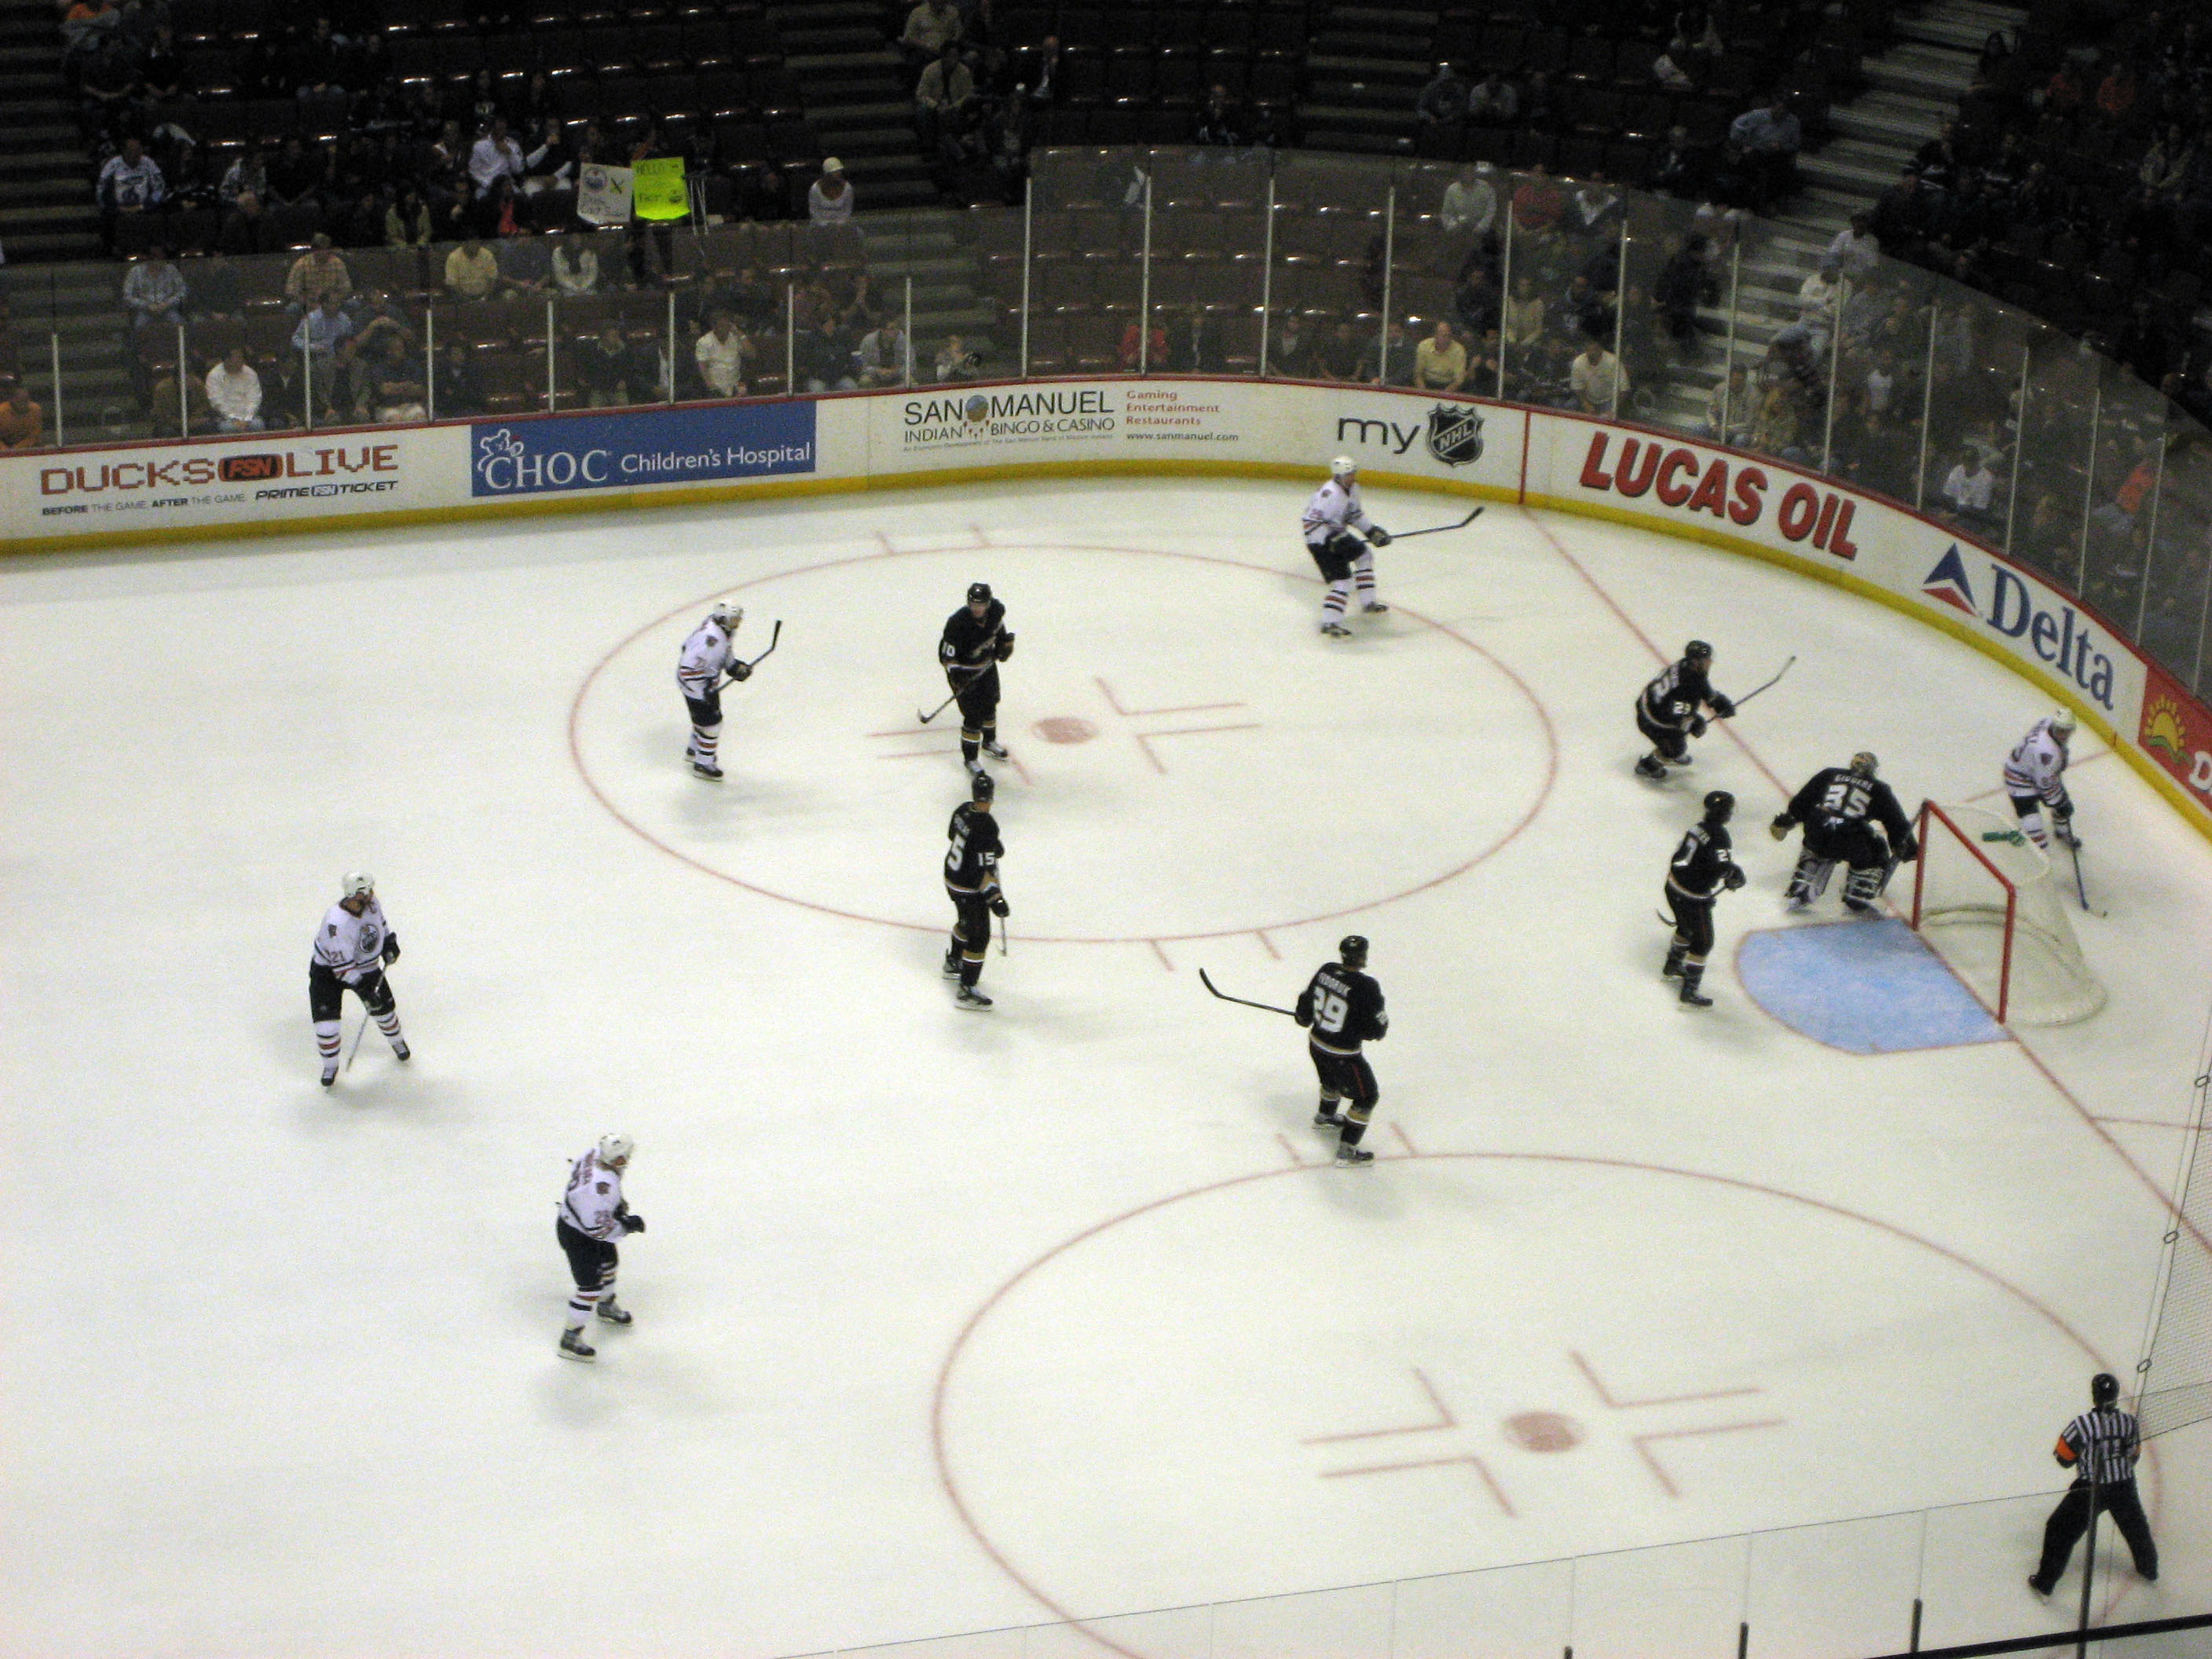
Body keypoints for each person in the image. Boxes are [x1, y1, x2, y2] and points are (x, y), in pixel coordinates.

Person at [2030, 1373, 2158, 1596]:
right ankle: (2149, 1570)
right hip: (2124, 1486)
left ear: (2094, 1395)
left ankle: (2044, 1583)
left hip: (2090, 1489)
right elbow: (2134, 1456)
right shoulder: (2129, 1423)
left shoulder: (2081, 1425)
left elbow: (2063, 1458)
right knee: (2137, 1529)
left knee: (2058, 1529)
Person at [1769, 751, 1917, 913]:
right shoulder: (1879, 788)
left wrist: (1786, 821)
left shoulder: (1829, 774)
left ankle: (1804, 883)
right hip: (1849, 837)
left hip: (1818, 828)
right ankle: (1858, 895)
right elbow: (1895, 821)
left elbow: (1801, 803)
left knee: (1816, 840)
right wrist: (1906, 846)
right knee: (1877, 847)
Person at [308, 871, 410, 1088]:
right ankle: (330, 1066)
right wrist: (365, 991)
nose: (371, 894)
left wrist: (388, 943)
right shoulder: (336, 924)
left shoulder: (371, 904)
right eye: (366, 892)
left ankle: (397, 1041)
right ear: (354, 895)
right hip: (328, 973)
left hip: (366, 967)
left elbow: (381, 924)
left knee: (385, 1011)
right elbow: (342, 968)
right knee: (327, 1028)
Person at [1297, 935, 1389, 1166]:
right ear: (1362, 956)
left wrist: (1303, 1016)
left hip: (1316, 1044)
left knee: (1330, 1081)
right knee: (1366, 1098)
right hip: (1343, 1055)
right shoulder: (1366, 986)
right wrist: (1374, 1030)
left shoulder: (1326, 970)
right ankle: (1346, 1151)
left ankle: (1325, 1116)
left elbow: (1305, 1005)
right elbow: (1374, 1029)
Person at [555, 1133, 643, 1363]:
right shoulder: (598, 1189)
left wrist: (616, 1209)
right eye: (625, 1157)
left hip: (580, 1222)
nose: (627, 1160)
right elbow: (598, 1230)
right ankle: (570, 1339)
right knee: (589, 1287)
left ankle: (606, 1306)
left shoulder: (595, 1153)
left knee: (610, 1263)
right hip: (578, 1236)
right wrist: (626, 1226)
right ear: (618, 1159)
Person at [1663, 790, 1746, 1009]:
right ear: (1726, 813)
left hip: (1673, 886)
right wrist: (1735, 875)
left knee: (1685, 926)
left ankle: (1673, 965)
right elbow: (1723, 866)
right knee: (1703, 942)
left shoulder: (1697, 827)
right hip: (1692, 896)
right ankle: (1689, 992)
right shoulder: (1720, 836)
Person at [1302, 456, 1393, 637]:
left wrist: (1371, 531)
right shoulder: (1329, 494)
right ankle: (1330, 623)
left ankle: (1368, 603)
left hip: (1336, 535)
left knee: (1364, 556)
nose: (1352, 477)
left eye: (1353, 473)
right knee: (1342, 582)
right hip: (1319, 542)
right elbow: (1310, 523)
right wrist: (1329, 540)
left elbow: (1354, 514)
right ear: (1339, 476)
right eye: (1349, 474)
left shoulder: (1353, 488)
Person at [939, 580, 1013, 775]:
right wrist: (958, 678)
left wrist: (1004, 647)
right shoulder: (957, 624)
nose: (976, 608)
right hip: (964, 674)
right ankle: (970, 758)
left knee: (990, 705)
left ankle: (989, 742)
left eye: (980, 604)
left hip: (987, 668)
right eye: (973, 604)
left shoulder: (995, 615)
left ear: (988, 604)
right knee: (973, 715)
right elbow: (947, 656)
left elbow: (1000, 636)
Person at [1635, 639, 1736, 780]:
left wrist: (1717, 701)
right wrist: (1694, 723)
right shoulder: (1686, 688)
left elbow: (1701, 685)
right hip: (1652, 721)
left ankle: (1670, 750)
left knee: (1685, 725)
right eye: (1706, 659)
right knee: (1676, 748)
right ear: (1695, 662)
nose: (1710, 662)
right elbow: (1674, 717)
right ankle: (1649, 765)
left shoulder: (1685, 666)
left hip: (1651, 706)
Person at [675, 602, 752, 781]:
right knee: (712, 725)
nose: (737, 623)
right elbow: (687, 668)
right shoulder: (709, 639)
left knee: (703, 720)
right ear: (722, 619)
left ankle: (694, 749)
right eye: (733, 619)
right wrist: (702, 690)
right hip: (696, 686)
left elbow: (723, 652)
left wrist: (734, 667)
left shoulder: (722, 630)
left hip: (705, 685)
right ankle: (704, 764)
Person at [2005, 709, 2078, 851]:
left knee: (2063, 805)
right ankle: (2041, 853)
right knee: (2033, 823)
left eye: (2067, 731)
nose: (2064, 735)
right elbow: (2046, 786)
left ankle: (2062, 830)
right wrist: (2059, 803)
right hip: (2019, 780)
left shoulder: (2048, 721)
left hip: (2032, 768)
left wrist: (2061, 804)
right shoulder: (2047, 753)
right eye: (2061, 731)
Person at [121, 250, 187, 330]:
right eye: (153, 256)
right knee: (138, 327)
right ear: (147, 257)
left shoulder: (172, 270)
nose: (156, 259)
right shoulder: (135, 272)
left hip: (169, 309)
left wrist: (167, 304)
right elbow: (127, 296)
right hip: (144, 311)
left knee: (180, 324)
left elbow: (182, 292)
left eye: (159, 256)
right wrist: (147, 306)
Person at [694, 309, 752, 399]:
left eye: (727, 326)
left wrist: (739, 333)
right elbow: (702, 367)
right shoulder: (704, 342)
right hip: (715, 390)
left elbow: (751, 354)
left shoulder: (735, 338)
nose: (725, 330)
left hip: (736, 389)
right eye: (722, 326)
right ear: (714, 326)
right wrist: (711, 387)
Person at [205, 346, 264, 432]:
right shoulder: (214, 375)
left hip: (249, 417)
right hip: (225, 418)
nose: (242, 361)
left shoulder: (250, 373)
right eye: (238, 358)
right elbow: (217, 402)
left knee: (258, 425)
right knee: (229, 428)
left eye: (242, 358)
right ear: (227, 359)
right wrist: (234, 419)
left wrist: (247, 419)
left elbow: (255, 398)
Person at [1568, 338, 1625, 415]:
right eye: (1588, 350)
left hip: (1609, 400)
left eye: (1595, 350)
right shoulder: (1578, 363)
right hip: (1588, 398)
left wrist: (1614, 408)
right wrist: (1585, 403)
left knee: (1606, 419)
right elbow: (1577, 387)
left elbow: (1624, 389)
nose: (1592, 353)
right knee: (1569, 406)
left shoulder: (1613, 362)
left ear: (1601, 350)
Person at [1940, 448, 1994, 526]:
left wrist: (1953, 516)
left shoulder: (1986, 478)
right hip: (1955, 508)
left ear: (1978, 461)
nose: (1968, 464)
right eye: (1966, 461)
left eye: (1972, 461)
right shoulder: (1957, 470)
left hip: (1973, 517)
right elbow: (1948, 495)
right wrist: (1945, 512)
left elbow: (1979, 510)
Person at [1413, 318, 1467, 391]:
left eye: (1448, 335)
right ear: (1435, 335)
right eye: (1442, 335)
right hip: (1426, 383)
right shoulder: (1424, 346)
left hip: (1449, 385)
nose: (1446, 339)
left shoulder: (1459, 350)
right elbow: (1418, 374)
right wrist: (1423, 392)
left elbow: (1458, 380)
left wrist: (1444, 394)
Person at [444, 236, 501, 302]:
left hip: (485, 298)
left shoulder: (487, 255)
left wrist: (485, 297)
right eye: (469, 243)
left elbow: (493, 279)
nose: (473, 245)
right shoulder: (453, 257)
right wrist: (466, 300)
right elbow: (452, 284)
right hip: (461, 300)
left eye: (475, 242)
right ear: (463, 244)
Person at [0, 379, 45, 449]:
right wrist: (5, 450)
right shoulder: (2, 411)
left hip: (27, 447)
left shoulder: (35, 410)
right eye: (20, 401)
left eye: (26, 400)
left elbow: (34, 436)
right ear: (11, 400)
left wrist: (17, 449)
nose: (24, 405)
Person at [808, 157, 855, 225]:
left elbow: (847, 211)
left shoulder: (847, 188)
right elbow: (814, 211)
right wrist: (824, 224)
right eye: (835, 172)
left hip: (841, 226)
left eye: (839, 171)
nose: (839, 174)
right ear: (827, 174)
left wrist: (840, 224)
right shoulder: (815, 189)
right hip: (820, 226)